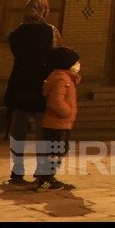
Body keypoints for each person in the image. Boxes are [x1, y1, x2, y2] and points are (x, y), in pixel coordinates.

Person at [5, 0, 62, 185]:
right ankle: (43, 171)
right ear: (43, 10)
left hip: (19, 83)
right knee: (42, 129)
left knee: (18, 128)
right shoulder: (50, 31)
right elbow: (57, 55)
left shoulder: (16, 33)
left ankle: (17, 170)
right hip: (41, 84)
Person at [36, 46, 81, 191]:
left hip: (62, 123)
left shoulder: (66, 77)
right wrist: (66, 112)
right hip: (56, 123)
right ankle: (45, 181)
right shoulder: (60, 78)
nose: (78, 64)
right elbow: (56, 101)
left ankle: (48, 177)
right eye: (75, 62)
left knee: (59, 150)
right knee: (55, 152)